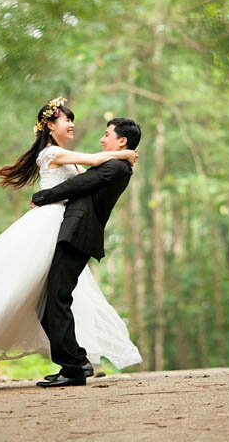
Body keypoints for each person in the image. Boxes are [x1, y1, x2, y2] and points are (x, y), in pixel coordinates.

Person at [0, 98, 142, 380]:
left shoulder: (67, 155)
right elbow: (94, 162)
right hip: (49, 226)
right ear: (51, 125)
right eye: (67, 120)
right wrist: (125, 155)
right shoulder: (51, 152)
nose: (72, 124)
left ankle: (75, 362)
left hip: (63, 227)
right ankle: (73, 362)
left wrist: (122, 157)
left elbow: (86, 178)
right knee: (38, 294)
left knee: (55, 296)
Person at [30, 116, 142, 387]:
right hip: (75, 233)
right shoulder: (117, 164)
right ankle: (77, 362)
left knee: (56, 299)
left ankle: (73, 368)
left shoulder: (115, 166)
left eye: (107, 135)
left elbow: (76, 185)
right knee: (53, 299)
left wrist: (42, 197)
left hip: (78, 234)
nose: (102, 139)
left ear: (122, 141)